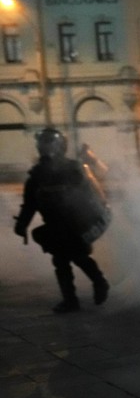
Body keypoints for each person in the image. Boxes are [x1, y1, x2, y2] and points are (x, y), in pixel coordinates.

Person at [14, 128, 110, 313]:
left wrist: (89, 220)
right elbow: (30, 204)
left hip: (74, 224)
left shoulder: (73, 169)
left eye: (48, 143)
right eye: (42, 144)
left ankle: (99, 282)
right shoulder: (37, 175)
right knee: (61, 261)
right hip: (55, 226)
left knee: (78, 257)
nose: (44, 148)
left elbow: (90, 196)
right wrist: (22, 224)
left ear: (59, 146)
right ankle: (71, 300)